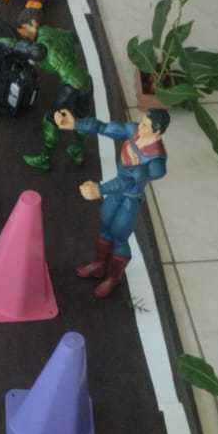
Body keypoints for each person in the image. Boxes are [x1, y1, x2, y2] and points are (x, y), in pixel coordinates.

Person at [54, 107, 170, 298]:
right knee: (105, 226)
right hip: (116, 192)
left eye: (145, 126)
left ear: (157, 132)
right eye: (142, 122)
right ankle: (99, 264)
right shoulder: (133, 131)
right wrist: (75, 124)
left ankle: (113, 278)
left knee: (119, 236)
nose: (140, 127)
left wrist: (100, 189)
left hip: (130, 199)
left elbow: (130, 181)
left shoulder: (156, 162)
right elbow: (103, 127)